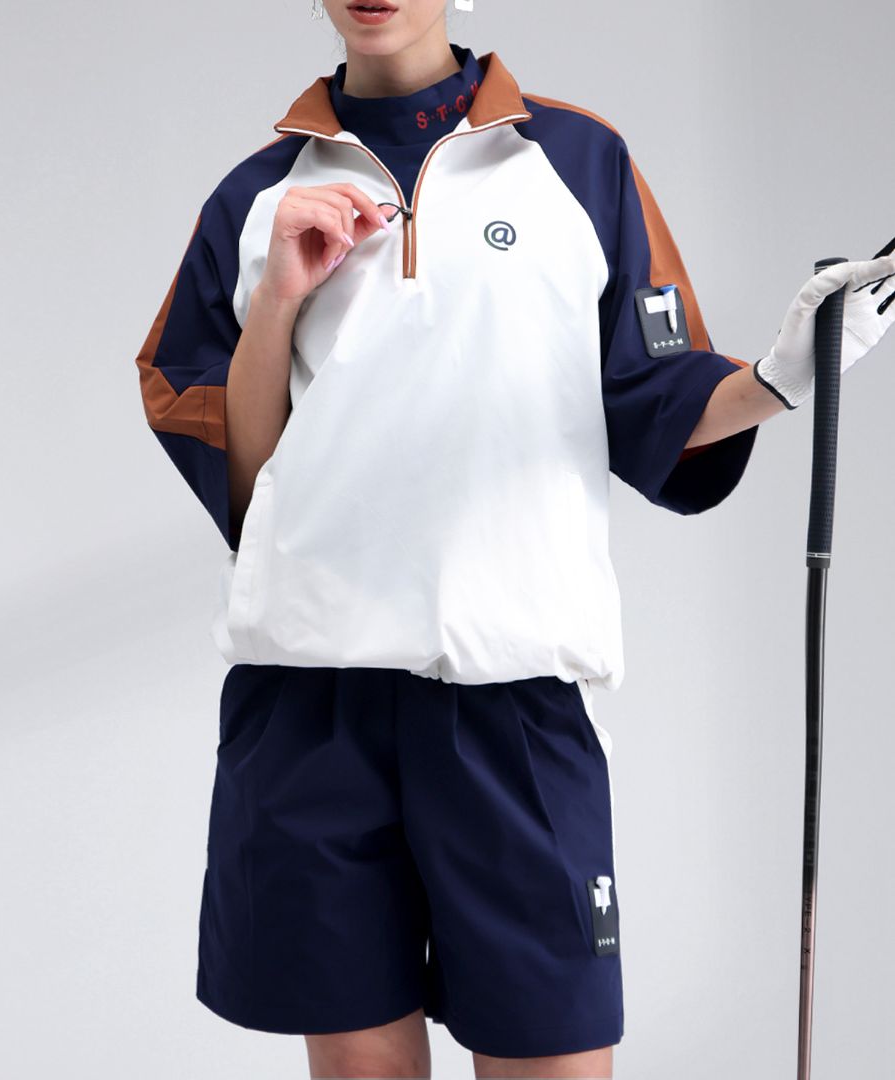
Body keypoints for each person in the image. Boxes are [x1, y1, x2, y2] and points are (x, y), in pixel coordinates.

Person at [133, 2, 895, 1077]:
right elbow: (248, 479)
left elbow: (651, 393)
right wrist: (278, 306)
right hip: (310, 699)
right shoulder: (257, 197)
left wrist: (779, 380)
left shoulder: (576, 160)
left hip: (512, 700)